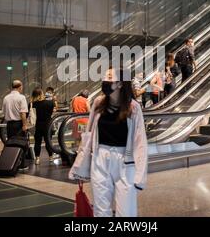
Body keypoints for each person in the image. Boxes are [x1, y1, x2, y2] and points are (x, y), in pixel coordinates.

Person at [69, 68, 148, 217]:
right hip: (100, 159)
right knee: (100, 209)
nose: (105, 79)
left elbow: (140, 142)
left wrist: (140, 176)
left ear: (120, 83)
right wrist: (80, 164)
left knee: (126, 212)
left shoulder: (133, 107)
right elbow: (89, 133)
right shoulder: (99, 103)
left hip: (125, 162)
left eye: (109, 77)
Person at [30, 88, 55, 165]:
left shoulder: (32, 104)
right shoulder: (50, 103)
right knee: (48, 142)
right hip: (48, 125)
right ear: (41, 94)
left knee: (37, 142)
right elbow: (51, 113)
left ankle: (37, 159)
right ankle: (50, 157)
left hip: (38, 125)